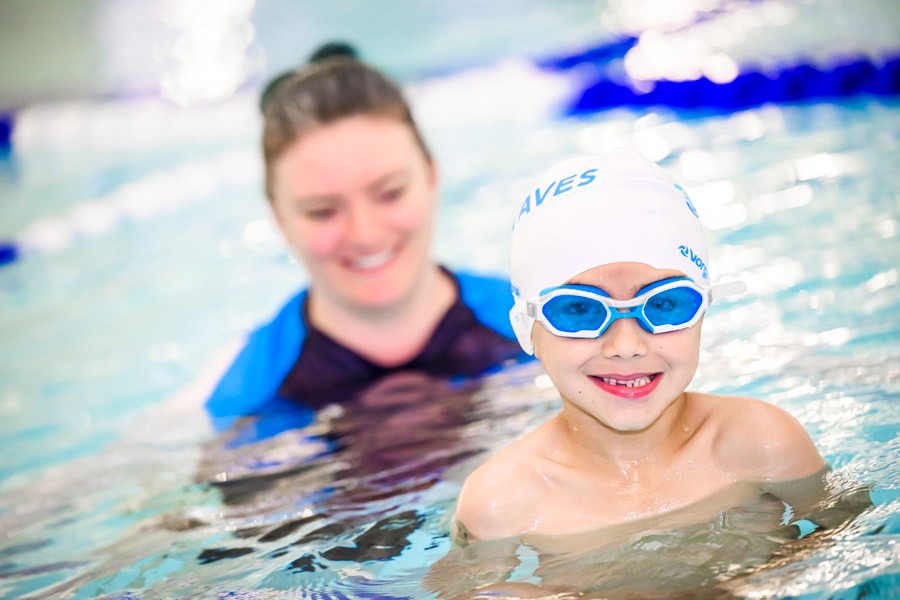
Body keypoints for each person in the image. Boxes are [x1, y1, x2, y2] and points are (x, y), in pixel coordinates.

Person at [453, 146, 831, 543]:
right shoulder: (501, 504)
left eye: (665, 304)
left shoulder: (762, 443)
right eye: (579, 310)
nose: (627, 345)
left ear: (702, 311)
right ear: (526, 328)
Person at [203, 43, 525, 428]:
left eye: (390, 194)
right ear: (280, 220)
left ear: (431, 177)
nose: (365, 234)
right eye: (323, 211)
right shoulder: (248, 403)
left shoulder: (540, 326)